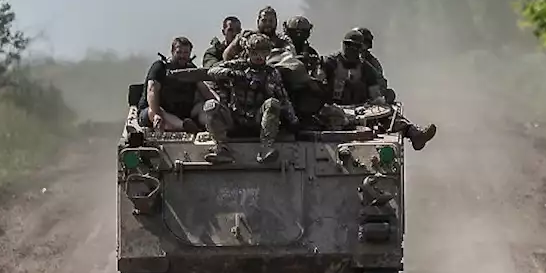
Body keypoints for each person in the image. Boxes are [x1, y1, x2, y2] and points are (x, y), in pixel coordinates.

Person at [320, 29, 436, 150]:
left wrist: (380, 103)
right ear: (344, 45)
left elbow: (375, 95)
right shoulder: (330, 62)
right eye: (349, 45)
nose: (352, 49)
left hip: (360, 109)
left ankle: (414, 133)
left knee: (386, 113)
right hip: (333, 108)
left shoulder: (367, 68)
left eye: (356, 46)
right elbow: (318, 83)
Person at [203, 33, 299, 164]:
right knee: (211, 106)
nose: (259, 56)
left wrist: (293, 121)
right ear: (248, 52)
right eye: (255, 53)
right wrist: (230, 73)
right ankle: (222, 149)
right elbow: (212, 71)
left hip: (257, 120)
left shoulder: (272, 73)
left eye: (263, 52)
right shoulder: (238, 65)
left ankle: (266, 148)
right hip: (234, 117)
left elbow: (283, 98)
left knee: (273, 103)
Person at [137, 36, 224, 132]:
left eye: (186, 53)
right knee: (156, 111)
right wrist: (156, 113)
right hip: (156, 112)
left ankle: (213, 126)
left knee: (204, 106)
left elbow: (205, 90)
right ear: (172, 51)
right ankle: (185, 127)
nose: (182, 56)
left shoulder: (190, 69)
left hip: (183, 113)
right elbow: (152, 90)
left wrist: (220, 105)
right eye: (179, 52)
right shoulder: (160, 67)